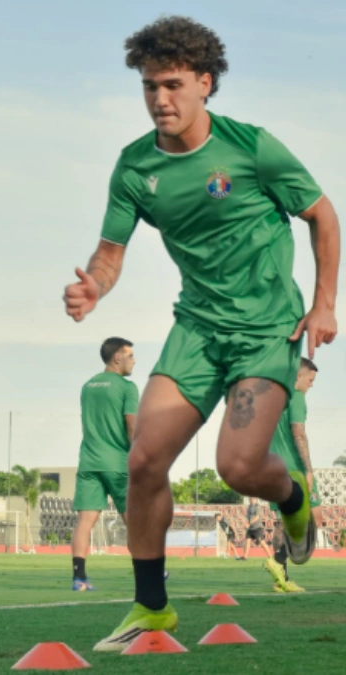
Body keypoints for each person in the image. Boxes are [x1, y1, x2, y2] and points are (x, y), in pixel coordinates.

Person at [60, 16, 339, 652]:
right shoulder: (134, 168)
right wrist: (95, 287)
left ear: (205, 84)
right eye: (150, 86)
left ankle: (292, 497)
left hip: (266, 329)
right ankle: (151, 608)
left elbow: (323, 216)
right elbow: (109, 252)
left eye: (174, 84)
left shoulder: (252, 148)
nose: (161, 98)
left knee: (238, 467)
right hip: (196, 330)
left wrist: (324, 305)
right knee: (144, 459)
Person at [71, 338, 138, 591]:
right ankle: (146, 573)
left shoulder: (88, 386)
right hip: (119, 463)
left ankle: (79, 577)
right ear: (117, 358)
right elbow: (131, 424)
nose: (134, 361)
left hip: (89, 462)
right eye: (130, 356)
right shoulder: (127, 387)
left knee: (85, 522)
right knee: (135, 522)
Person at [264, 358, 321, 592]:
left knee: (282, 522)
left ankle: (281, 580)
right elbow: (298, 433)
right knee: (314, 517)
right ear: (299, 376)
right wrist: (308, 469)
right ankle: (277, 561)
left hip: (273, 466)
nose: (311, 385)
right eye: (310, 379)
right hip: (294, 469)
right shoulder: (297, 397)